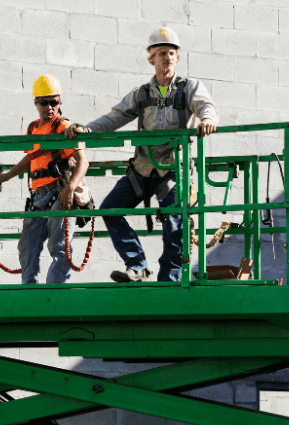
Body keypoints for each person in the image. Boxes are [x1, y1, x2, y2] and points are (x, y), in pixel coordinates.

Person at [64, 27, 218, 282]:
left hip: (173, 170)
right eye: (160, 53)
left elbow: (206, 106)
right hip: (143, 169)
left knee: (174, 223)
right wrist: (86, 129)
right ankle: (137, 266)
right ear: (151, 59)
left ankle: (171, 279)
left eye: (171, 53)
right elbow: (115, 117)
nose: (166, 58)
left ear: (177, 57)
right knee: (109, 210)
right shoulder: (142, 94)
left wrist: (208, 119)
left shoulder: (189, 88)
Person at [0, 75, 89, 284]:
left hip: (59, 192)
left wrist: (70, 188)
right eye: (44, 102)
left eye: (54, 102)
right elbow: (32, 157)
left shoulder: (63, 127)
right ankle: (30, 293)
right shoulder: (33, 129)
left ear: (60, 102)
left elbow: (83, 161)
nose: (49, 107)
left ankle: (53, 295)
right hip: (37, 198)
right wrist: (6, 176)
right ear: (36, 102)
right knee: (28, 247)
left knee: (59, 247)